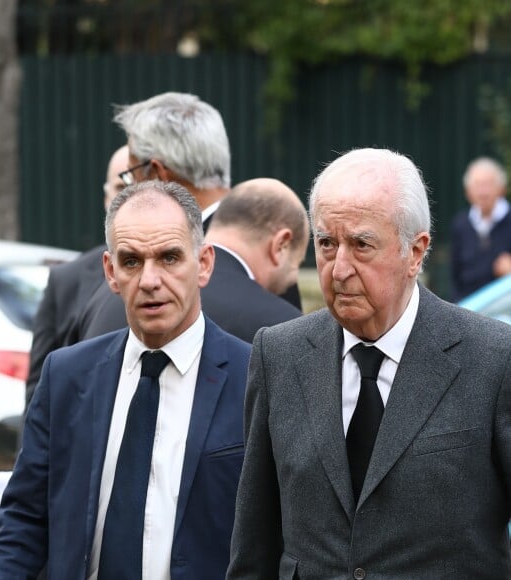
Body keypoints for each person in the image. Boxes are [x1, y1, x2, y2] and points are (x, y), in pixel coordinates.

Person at [227, 148, 511, 578]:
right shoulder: (278, 355)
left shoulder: (492, 358)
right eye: (326, 244)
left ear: (415, 253)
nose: (339, 269)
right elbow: (255, 545)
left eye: (361, 245)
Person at [0, 180, 252, 579]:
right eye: (132, 261)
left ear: (204, 264)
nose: (150, 280)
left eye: (170, 258)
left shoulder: (256, 378)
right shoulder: (66, 376)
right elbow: (23, 522)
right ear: (110, 271)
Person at [77, 92, 301, 340]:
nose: (149, 281)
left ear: (156, 175)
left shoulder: (109, 295)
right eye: (132, 262)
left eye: (130, 176)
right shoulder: (269, 257)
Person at [24, 144, 131, 410]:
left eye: (141, 186)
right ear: (106, 198)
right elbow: (37, 396)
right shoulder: (66, 280)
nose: (130, 199)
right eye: (120, 189)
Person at [201, 177, 308, 342]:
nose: (293, 278)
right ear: (281, 245)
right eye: (296, 264)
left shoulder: (162, 292)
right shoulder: (285, 328)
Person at [450, 156, 511, 301]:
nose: (483, 192)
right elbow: (455, 277)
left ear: (502, 189)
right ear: (468, 192)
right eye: (477, 185)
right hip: (470, 307)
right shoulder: (460, 225)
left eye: (488, 185)